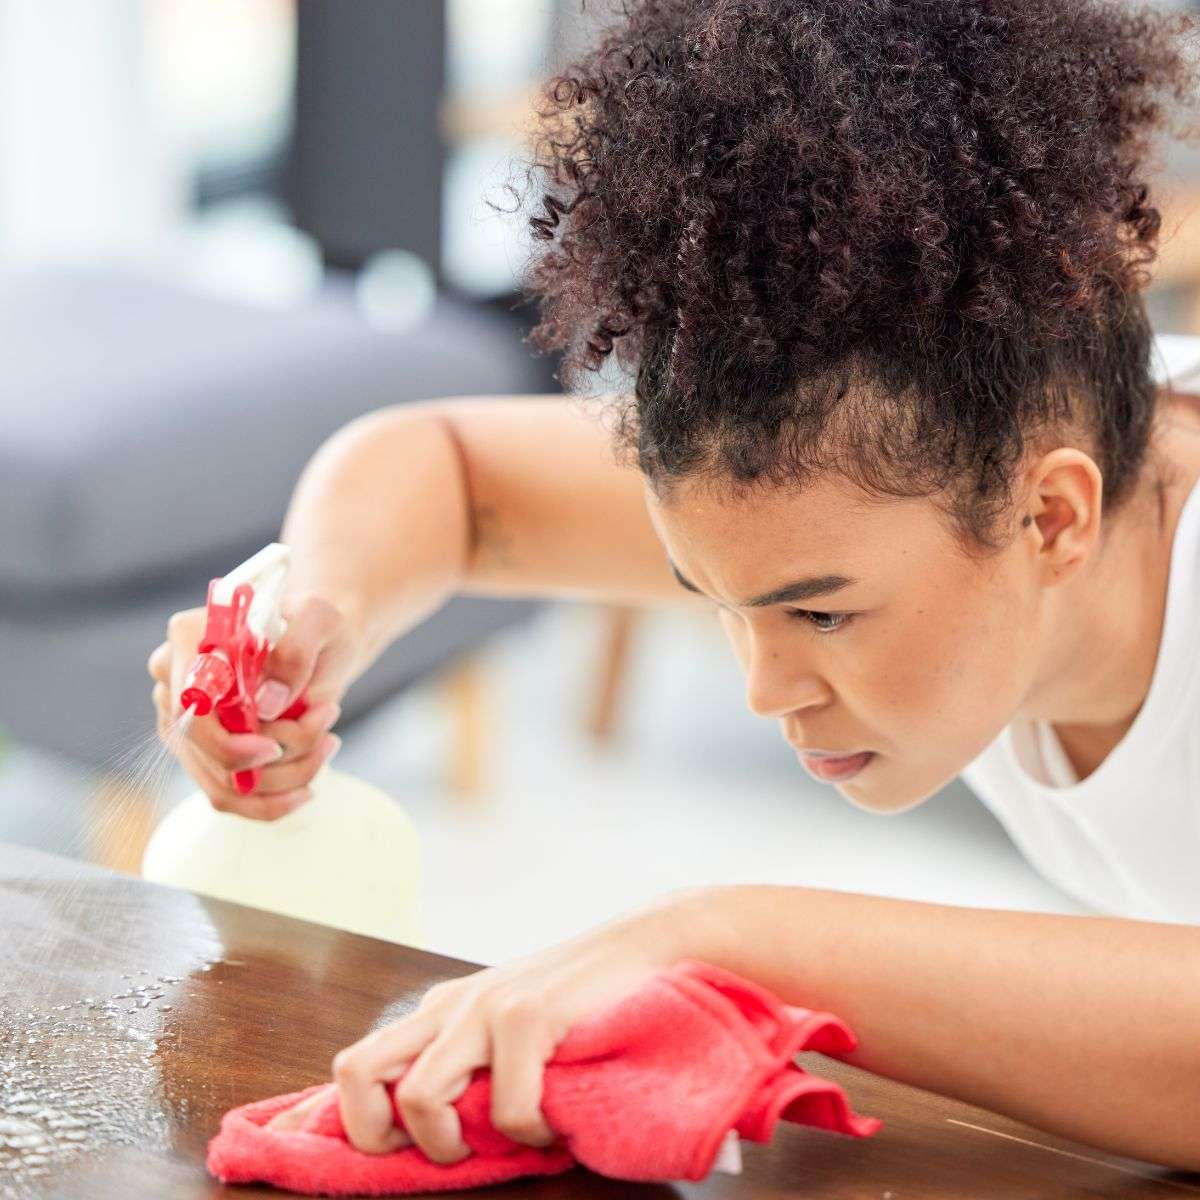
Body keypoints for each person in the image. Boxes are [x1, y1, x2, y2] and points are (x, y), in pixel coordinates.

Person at [149, 0, 1200, 1170]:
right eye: (713, 600)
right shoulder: (936, 452)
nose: (766, 688)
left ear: (1052, 516)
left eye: (822, 611)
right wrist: (316, 618)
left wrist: (727, 939)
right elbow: (448, 473)